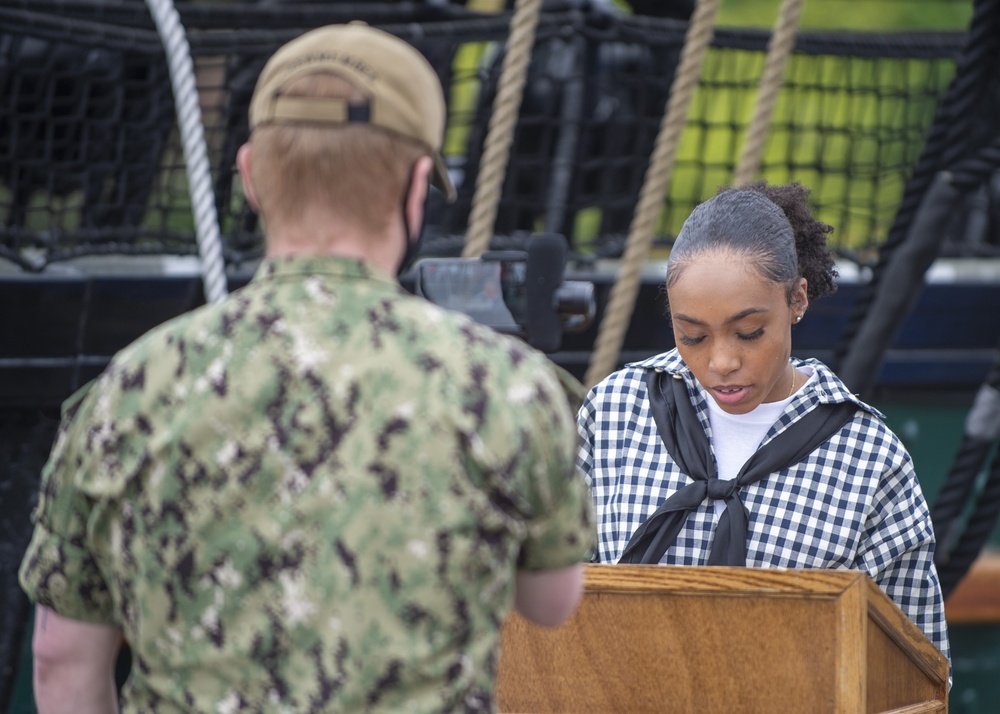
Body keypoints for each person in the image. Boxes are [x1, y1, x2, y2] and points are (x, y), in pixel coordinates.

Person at [19, 23, 595, 714]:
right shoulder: (503, 387)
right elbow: (552, 603)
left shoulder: (130, 388)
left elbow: (61, 661)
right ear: (418, 189)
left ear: (252, 176)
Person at [577, 181, 950, 664]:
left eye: (748, 332)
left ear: (797, 300)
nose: (721, 361)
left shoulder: (868, 459)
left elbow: (914, 667)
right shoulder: (614, 411)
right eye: (691, 336)